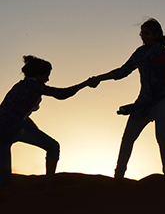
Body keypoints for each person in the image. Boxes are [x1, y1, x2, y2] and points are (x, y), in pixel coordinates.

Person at [92, 18, 165, 178]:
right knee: (128, 137)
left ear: (156, 35)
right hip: (144, 101)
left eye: (147, 33)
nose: (143, 37)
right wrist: (99, 78)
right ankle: (118, 175)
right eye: (142, 33)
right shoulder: (140, 53)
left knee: (162, 136)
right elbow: (123, 71)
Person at [0, 55, 98, 194]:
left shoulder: (18, 86)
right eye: (47, 75)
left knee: (3, 178)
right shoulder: (35, 85)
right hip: (14, 128)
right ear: (39, 74)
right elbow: (62, 94)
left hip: (3, 131)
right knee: (53, 146)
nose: (47, 79)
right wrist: (85, 84)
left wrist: (30, 126)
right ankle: (49, 188)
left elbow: (10, 111)